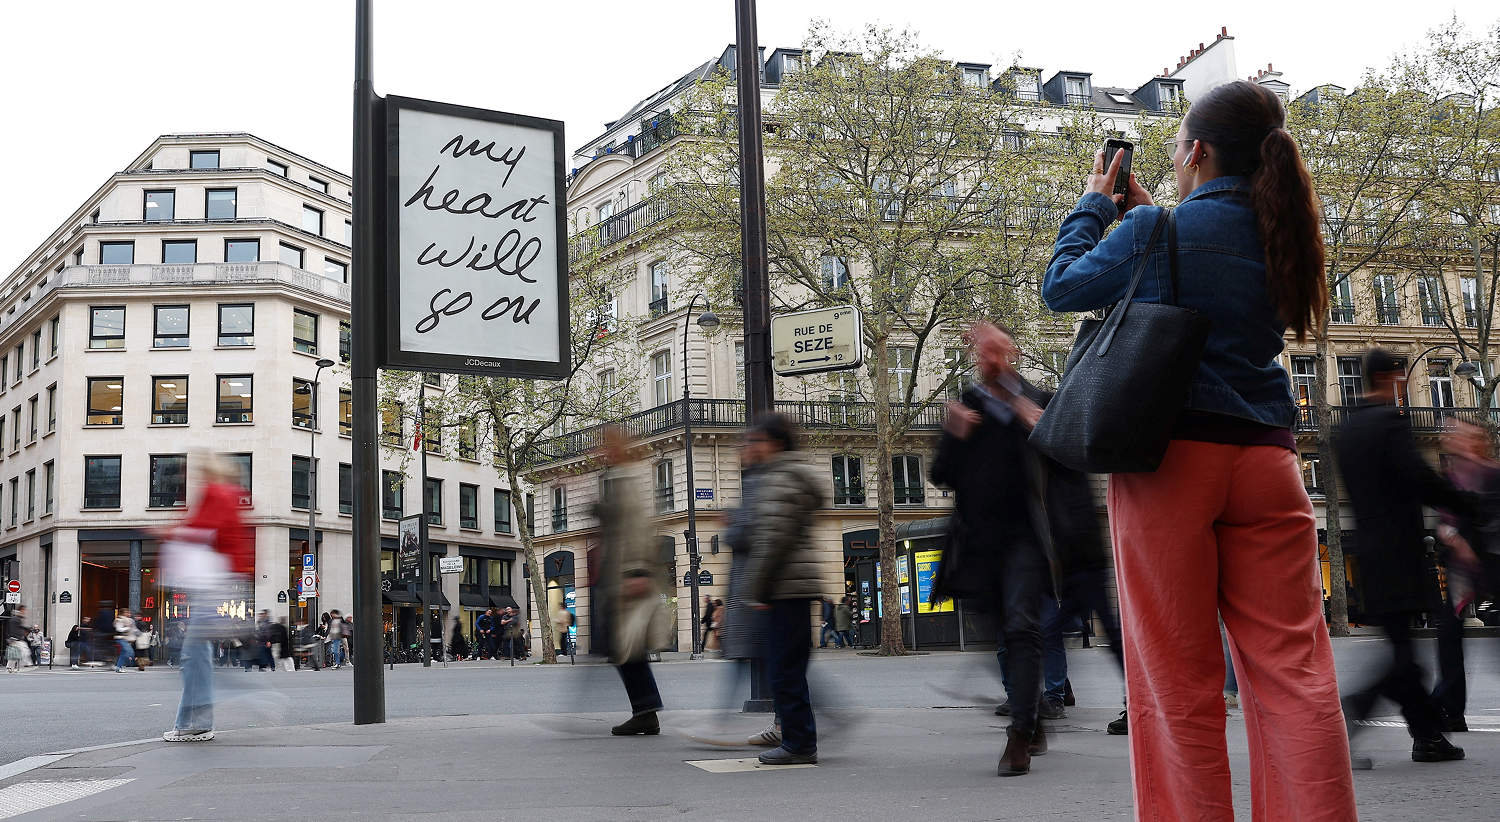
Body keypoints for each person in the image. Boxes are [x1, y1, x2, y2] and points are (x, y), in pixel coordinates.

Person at [1042, 79, 1358, 814]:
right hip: (1270, 462)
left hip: (1172, 464)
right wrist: (1155, 218)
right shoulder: (1287, 235)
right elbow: (1217, 281)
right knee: (1295, 674)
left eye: (1182, 145)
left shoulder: (1157, 236)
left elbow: (1063, 287)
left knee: (1176, 679)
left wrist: (1097, 204)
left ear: (1198, 152)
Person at [931, 320, 1093, 776]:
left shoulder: (1039, 400)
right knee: (1000, 633)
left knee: (1022, 627)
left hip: (1029, 538)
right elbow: (941, 475)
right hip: (979, 544)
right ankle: (1034, 710)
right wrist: (955, 436)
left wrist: (1042, 431)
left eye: (996, 349)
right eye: (981, 351)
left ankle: (1020, 732)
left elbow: (1072, 466)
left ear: (1013, 353)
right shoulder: (966, 404)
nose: (989, 358)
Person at [1337, 349, 1473, 766]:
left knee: (1402, 650)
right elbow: (1417, 475)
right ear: (1387, 376)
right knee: (1403, 654)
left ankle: (1427, 736)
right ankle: (1358, 709)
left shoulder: (1346, 429)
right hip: (1401, 550)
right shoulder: (1388, 423)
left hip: (1370, 550)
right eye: (1398, 374)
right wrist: (1464, 503)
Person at [742, 413, 826, 766]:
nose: (750, 448)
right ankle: (799, 739)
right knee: (789, 668)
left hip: (785, 587)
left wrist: (757, 589)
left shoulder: (780, 479)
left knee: (783, 670)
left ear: (773, 444)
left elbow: (772, 540)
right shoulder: (787, 476)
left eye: (755, 442)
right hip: (795, 585)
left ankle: (799, 744)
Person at [163, 452, 254, 742]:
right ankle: (193, 722)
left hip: (212, 582)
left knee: (194, 655)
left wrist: (166, 532)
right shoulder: (227, 493)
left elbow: (200, 530)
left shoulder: (216, 493)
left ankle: (196, 723)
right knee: (196, 653)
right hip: (219, 580)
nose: (188, 478)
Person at [591, 426, 673, 735]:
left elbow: (637, 528)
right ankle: (645, 710)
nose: (603, 451)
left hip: (626, 581)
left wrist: (637, 572)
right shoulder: (616, 480)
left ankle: (646, 711)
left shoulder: (627, 481)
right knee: (624, 648)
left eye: (607, 446)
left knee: (628, 648)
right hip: (618, 579)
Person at [1433, 418, 1500, 732]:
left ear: (1474, 439)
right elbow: (1444, 520)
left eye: (1459, 432)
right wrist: (1452, 538)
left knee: (1454, 636)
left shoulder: (1491, 473)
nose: (1452, 437)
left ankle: (1446, 708)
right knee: (1448, 635)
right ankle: (1450, 710)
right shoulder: (1452, 477)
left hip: (1492, 563)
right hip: (1464, 568)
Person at [113, 608, 139, 673]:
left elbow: (134, 629)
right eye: (127, 612)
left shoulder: (130, 620)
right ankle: (118, 665)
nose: (129, 614)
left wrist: (139, 634)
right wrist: (128, 628)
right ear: (123, 613)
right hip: (121, 638)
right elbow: (119, 629)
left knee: (124, 653)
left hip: (127, 638)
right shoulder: (119, 620)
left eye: (129, 612)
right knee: (129, 652)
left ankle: (118, 666)